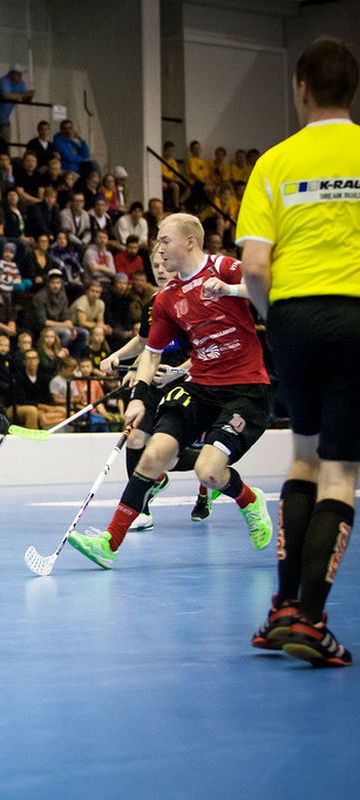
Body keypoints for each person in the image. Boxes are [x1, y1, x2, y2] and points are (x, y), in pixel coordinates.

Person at [237, 37, 360, 666]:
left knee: (303, 458)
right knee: (342, 472)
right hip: (356, 318)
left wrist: (275, 319)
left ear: (301, 89)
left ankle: (283, 609)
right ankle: (311, 621)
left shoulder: (275, 163)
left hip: (294, 319)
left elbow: (255, 266)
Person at [68, 213, 273, 570]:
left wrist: (229, 290)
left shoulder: (224, 268)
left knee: (209, 472)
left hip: (245, 388)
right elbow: (151, 353)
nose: (159, 249)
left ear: (189, 241)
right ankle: (109, 544)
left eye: (164, 240)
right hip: (200, 386)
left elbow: (270, 286)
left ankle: (249, 500)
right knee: (152, 455)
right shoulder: (166, 299)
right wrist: (138, 397)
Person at [99, 256, 202, 532]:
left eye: (165, 264)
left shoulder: (195, 301)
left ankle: (212, 469)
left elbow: (205, 349)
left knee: (167, 455)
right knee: (135, 438)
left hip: (187, 382)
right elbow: (145, 343)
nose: (160, 270)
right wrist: (121, 358)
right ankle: (141, 511)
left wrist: (177, 372)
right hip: (155, 381)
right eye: (155, 266)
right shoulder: (153, 303)